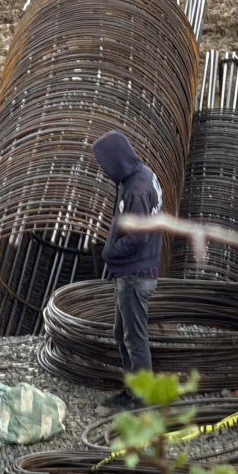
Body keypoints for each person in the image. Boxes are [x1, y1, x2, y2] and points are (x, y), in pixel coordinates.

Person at [92, 130, 163, 408]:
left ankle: (141, 398)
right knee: (122, 334)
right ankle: (132, 389)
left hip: (135, 275)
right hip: (133, 271)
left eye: (105, 164)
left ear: (116, 159)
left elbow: (139, 236)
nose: (104, 170)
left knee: (134, 339)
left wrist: (110, 252)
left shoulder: (136, 189)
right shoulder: (140, 175)